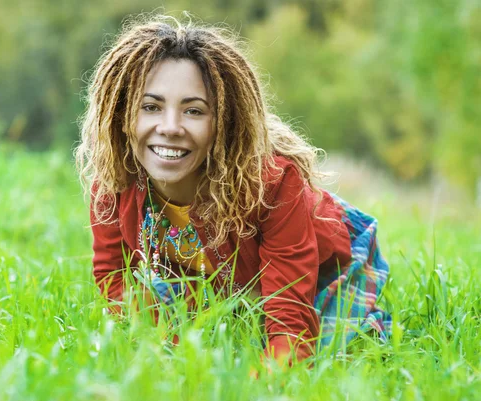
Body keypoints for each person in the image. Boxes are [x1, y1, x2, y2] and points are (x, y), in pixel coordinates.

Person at [75, 15, 390, 365]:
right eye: (150, 107)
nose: (170, 128)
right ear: (121, 114)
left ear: (224, 122)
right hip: (214, 277)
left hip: (320, 260)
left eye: (194, 111)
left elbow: (290, 329)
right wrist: (176, 350)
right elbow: (114, 278)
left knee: (331, 352)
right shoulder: (117, 176)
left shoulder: (273, 185)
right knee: (197, 331)